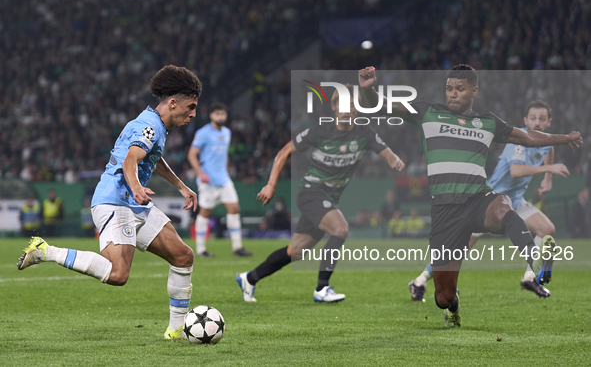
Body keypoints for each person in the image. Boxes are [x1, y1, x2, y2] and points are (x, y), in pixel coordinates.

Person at [360, 65, 582, 326]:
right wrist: (369, 91)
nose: (452, 94)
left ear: (474, 91)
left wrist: (562, 138)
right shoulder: (427, 111)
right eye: (449, 88)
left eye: (460, 89)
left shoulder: (487, 122)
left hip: (478, 200)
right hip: (444, 213)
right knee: (443, 296)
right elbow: (383, 107)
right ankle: (453, 307)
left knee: (503, 205)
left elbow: (527, 136)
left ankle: (534, 262)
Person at [17, 65, 202, 340]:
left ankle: (175, 332)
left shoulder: (157, 126)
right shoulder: (149, 126)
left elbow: (152, 157)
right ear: (172, 103)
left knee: (183, 256)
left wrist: (181, 186)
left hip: (134, 203)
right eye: (191, 106)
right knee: (117, 274)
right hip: (116, 202)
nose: (193, 113)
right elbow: (131, 159)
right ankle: (46, 251)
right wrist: (137, 187)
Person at [236, 83, 405, 303]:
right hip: (311, 193)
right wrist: (271, 184)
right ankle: (322, 289)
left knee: (295, 251)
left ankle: (249, 278)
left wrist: (396, 162)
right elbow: (285, 151)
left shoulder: (364, 133)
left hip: (329, 199)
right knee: (340, 228)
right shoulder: (319, 131)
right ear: (334, 106)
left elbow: (387, 152)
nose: (347, 108)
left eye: (352, 103)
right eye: (342, 103)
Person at [409, 100, 569, 300]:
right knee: (459, 249)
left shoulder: (545, 144)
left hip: (515, 202)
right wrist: (549, 169)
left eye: (542, 119)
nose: (537, 123)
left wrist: (548, 178)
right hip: (489, 203)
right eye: (533, 118)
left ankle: (530, 278)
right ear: (525, 120)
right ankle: (420, 280)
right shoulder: (519, 143)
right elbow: (516, 170)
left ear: (549, 122)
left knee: (547, 229)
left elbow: (549, 152)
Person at [187, 102, 252, 258]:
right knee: (205, 213)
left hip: (223, 179)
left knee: (234, 209)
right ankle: (201, 249)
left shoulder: (227, 133)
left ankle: (237, 247)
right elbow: (191, 154)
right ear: (211, 115)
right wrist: (200, 173)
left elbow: (224, 155)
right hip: (207, 181)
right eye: (217, 114)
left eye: (223, 114)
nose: (220, 117)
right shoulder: (203, 133)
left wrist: (227, 169)